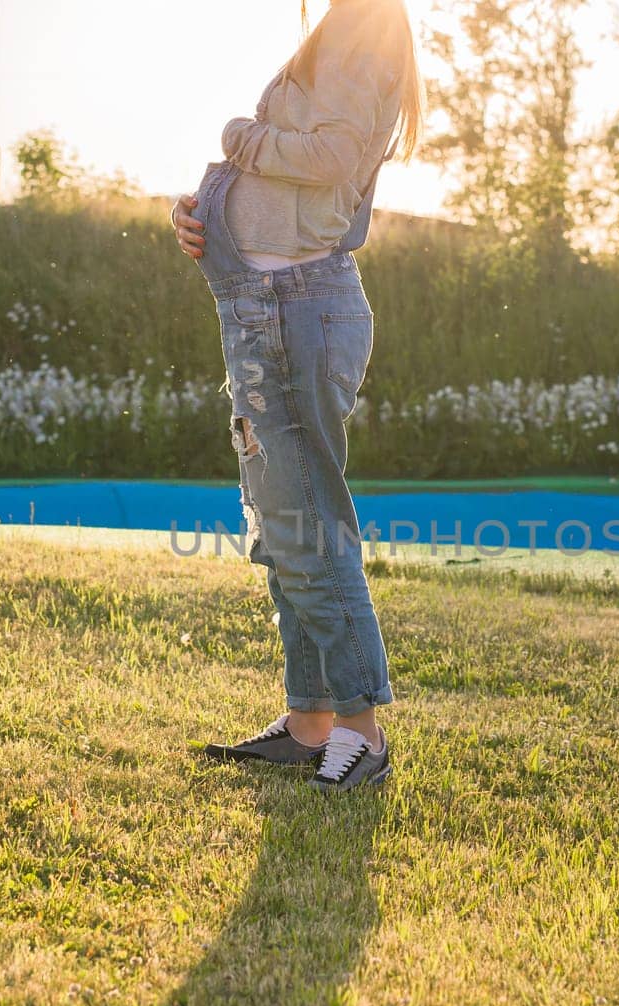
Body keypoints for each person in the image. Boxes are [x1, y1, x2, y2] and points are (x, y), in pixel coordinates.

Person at [169, 0, 424, 792]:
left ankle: (362, 732)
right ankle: (312, 720)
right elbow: (294, 182)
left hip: (295, 309)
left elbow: (333, 154)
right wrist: (207, 214)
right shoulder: (343, 31)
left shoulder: (362, 23)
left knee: (308, 522)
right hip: (264, 305)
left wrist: (234, 139)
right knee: (283, 528)